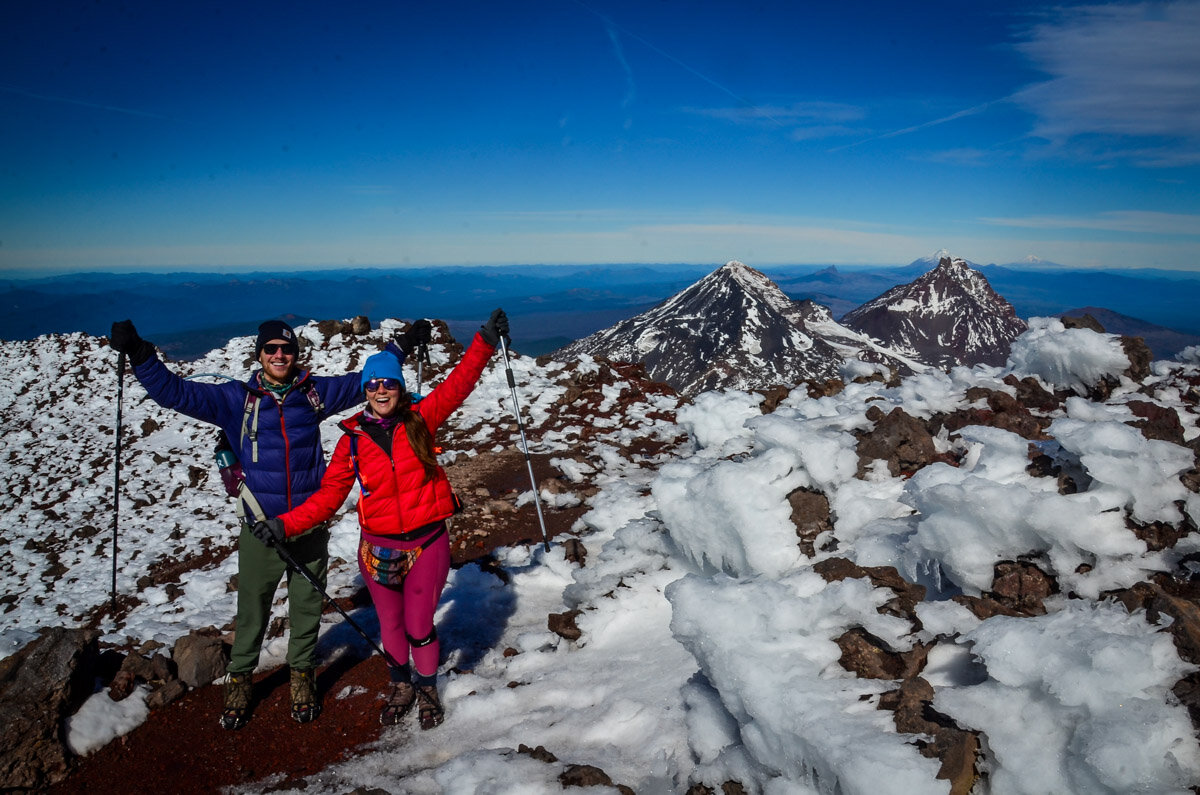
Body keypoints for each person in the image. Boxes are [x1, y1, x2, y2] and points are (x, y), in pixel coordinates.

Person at [109, 316, 431, 730]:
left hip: (308, 524)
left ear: (297, 354)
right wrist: (140, 354)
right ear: (259, 354)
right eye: (272, 349)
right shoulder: (235, 400)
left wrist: (401, 346)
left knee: (306, 606)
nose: (280, 355)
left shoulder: (312, 394)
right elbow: (174, 393)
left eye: (288, 349)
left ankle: (301, 675)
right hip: (261, 526)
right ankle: (240, 679)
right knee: (253, 609)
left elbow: (365, 380)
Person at [251, 308, 508, 730]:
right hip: (377, 547)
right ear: (365, 390)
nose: (381, 390)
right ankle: (400, 684)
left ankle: (425, 686)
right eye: (373, 384)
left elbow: (459, 384)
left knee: (419, 625)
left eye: (389, 383)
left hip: (426, 542)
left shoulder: (422, 419)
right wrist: (286, 525)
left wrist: (483, 341)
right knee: (390, 624)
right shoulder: (351, 442)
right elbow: (329, 496)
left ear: (400, 387)